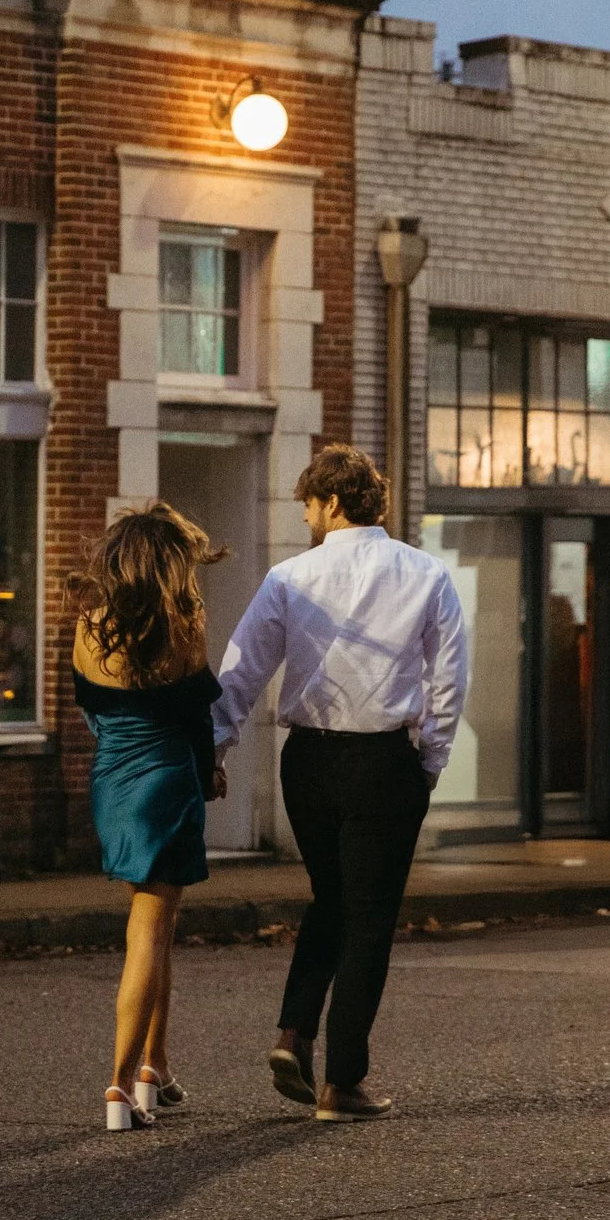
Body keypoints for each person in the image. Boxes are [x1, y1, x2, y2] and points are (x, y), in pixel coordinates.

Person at [214, 443, 467, 1123]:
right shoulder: (426, 574)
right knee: (368, 919)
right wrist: (430, 762)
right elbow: (448, 681)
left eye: (307, 502)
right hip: (383, 762)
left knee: (333, 898)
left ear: (331, 501)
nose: (304, 515)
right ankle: (342, 1081)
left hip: (308, 762)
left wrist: (215, 744)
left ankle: (295, 1032)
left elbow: (242, 668)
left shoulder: (289, 578)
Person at [71, 502, 228, 1132]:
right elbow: (196, 722)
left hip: (112, 780)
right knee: (148, 934)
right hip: (167, 781)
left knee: (157, 927)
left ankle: (154, 1067)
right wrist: (209, 771)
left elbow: (89, 710)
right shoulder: (184, 624)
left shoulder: (89, 625)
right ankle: (117, 1086)